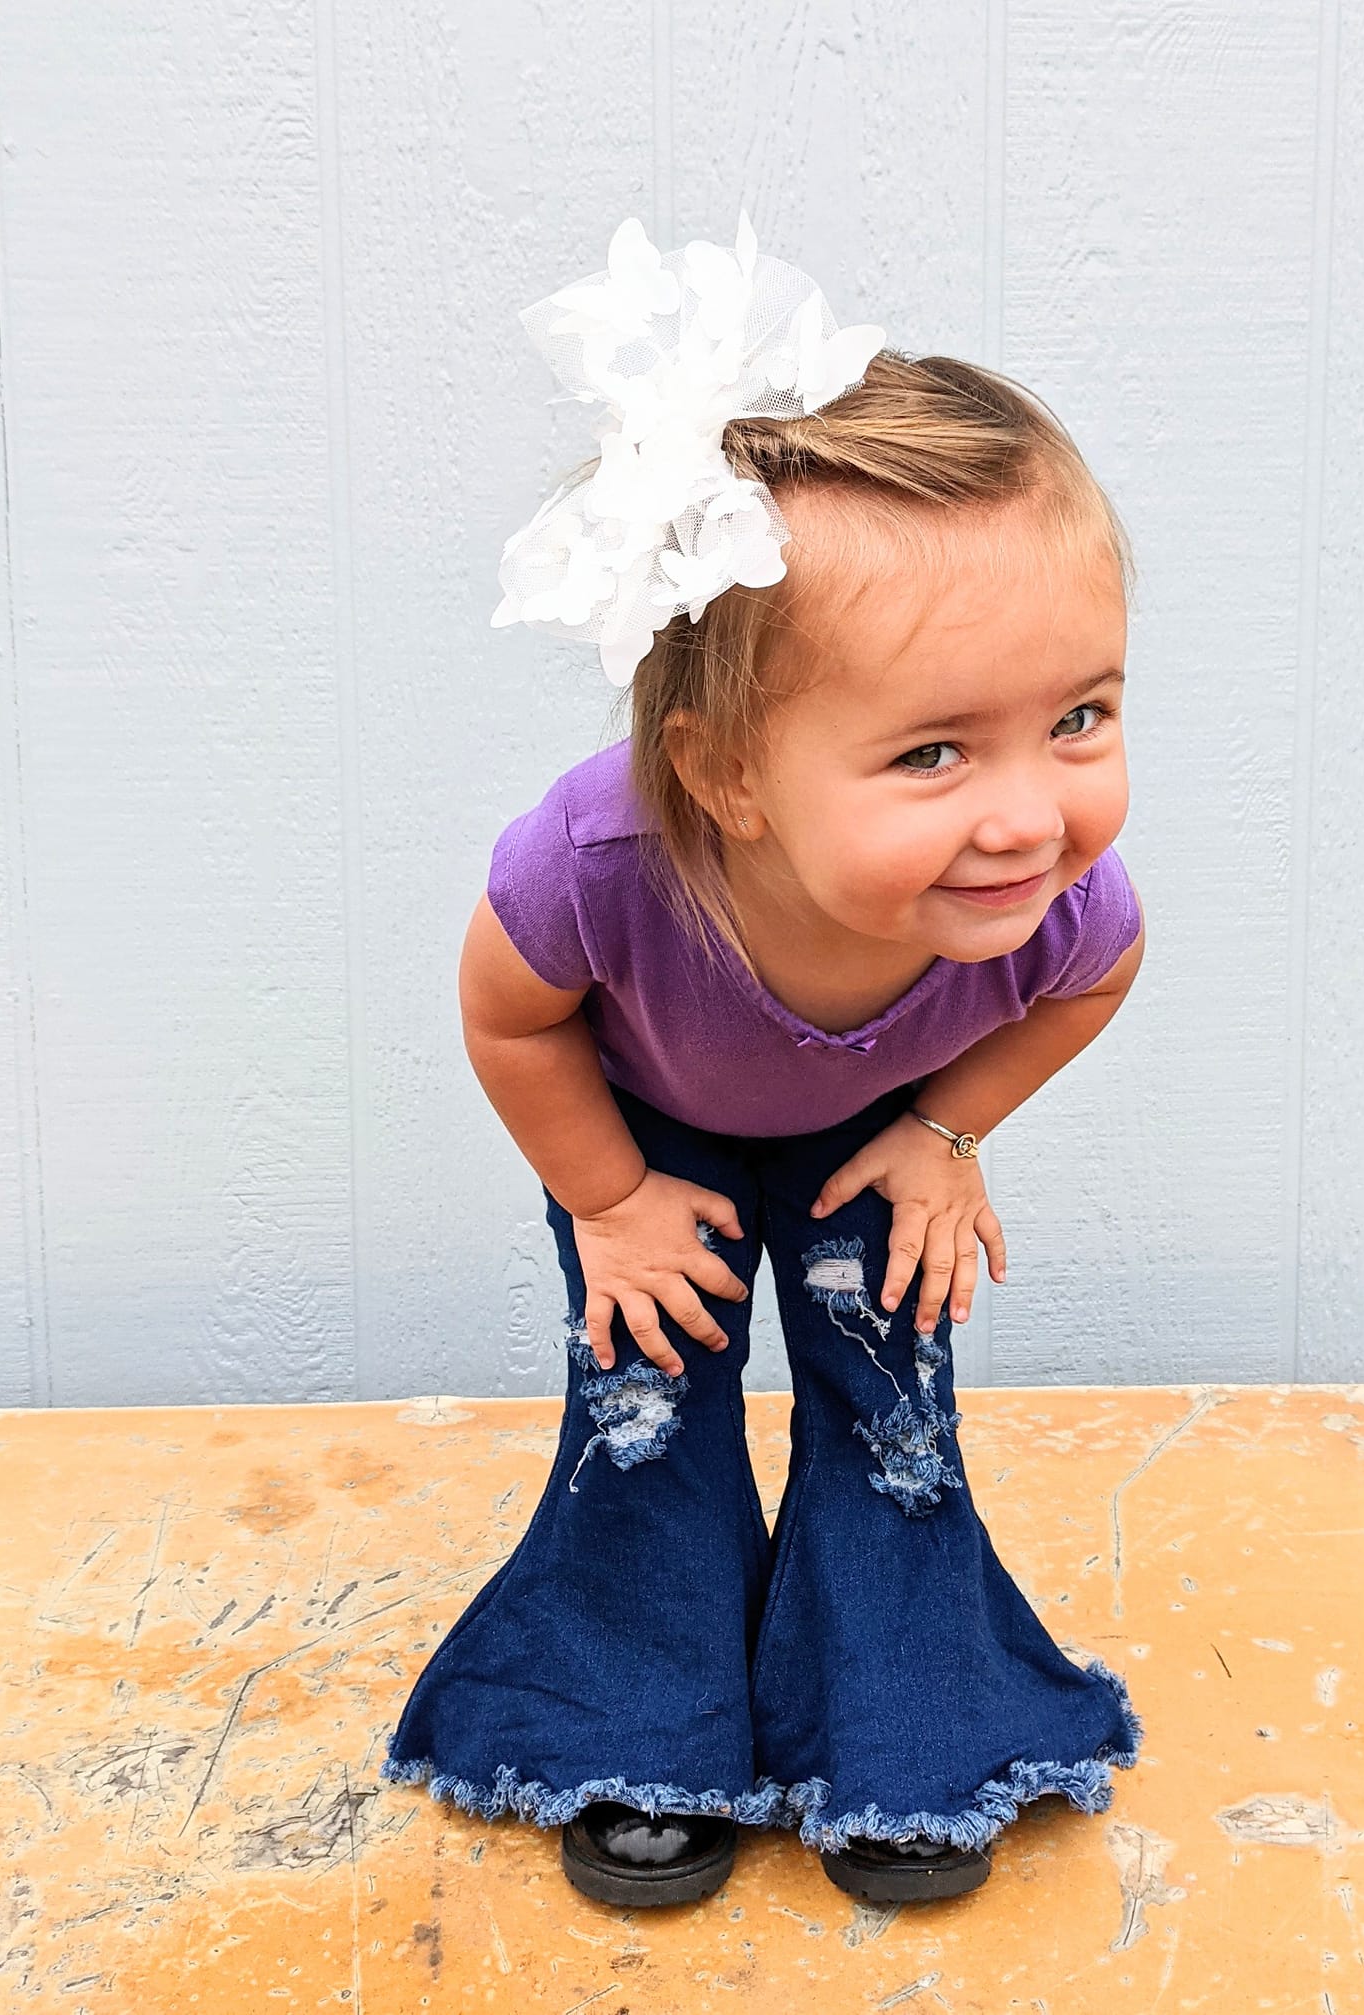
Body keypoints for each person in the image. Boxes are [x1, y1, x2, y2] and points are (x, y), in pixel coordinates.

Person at [382, 216, 1146, 1908]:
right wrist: (606, 1200)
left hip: (871, 1140)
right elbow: (510, 1016)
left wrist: (950, 1131)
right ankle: (631, 1720)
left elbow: (1094, 986)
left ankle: (907, 1727)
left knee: (890, 1413)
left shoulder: (1050, 904)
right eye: (935, 750)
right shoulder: (599, 862)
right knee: (650, 1411)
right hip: (643, 1139)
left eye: (1081, 717)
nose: (1031, 813)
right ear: (724, 774)